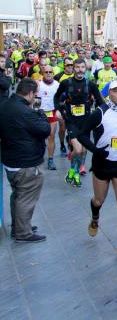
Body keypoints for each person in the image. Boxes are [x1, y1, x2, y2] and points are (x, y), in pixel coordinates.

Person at [76, 80, 117, 258]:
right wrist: (96, 151)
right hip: (103, 163)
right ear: (109, 93)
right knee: (99, 200)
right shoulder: (100, 112)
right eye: (114, 91)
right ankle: (95, 218)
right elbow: (82, 135)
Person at [0, 78, 50, 242]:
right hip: (26, 162)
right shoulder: (25, 111)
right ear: (30, 94)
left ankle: (20, 225)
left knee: (18, 195)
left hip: (11, 159)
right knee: (26, 198)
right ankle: (23, 232)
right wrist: (41, 114)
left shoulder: (6, 105)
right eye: (35, 94)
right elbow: (44, 130)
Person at [54, 58, 104, 187]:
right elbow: (56, 97)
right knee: (77, 148)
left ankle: (74, 172)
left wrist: (102, 114)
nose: (80, 70)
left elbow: (100, 101)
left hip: (86, 121)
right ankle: (73, 170)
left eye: (82, 67)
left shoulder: (90, 84)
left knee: (82, 151)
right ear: (73, 68)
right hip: (71, 120)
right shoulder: (66, 82)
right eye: (77, 67)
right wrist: (58, 109)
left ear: (85, 69)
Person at [37, 65, 60, 170]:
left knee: (51, 136)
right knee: (39, 137)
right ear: (43, 73)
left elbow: (61, 98)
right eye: (46, 72)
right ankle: (37, 156)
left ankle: (50, 159)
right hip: (40, 113)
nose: (49, 73)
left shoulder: (57, 85)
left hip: (52, 112)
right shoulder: (38, 84)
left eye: (50, 72)